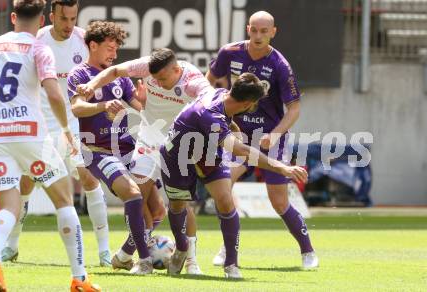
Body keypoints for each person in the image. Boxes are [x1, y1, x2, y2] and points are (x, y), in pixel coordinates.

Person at [0, 1, 100, 291]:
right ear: (41, 22)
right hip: (30, 134)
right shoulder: (39, 47)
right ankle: (79, 278)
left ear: (12, 17)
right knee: (64, 200)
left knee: (9, 205)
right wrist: (65, 130)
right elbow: (53, 94)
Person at [160, 73, 308, 279]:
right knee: (178, 205)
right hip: (177, 156)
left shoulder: (222, 94)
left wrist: (235, 130)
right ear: (248, 103)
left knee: (226, 201)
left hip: (206, 152)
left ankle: (231, 264)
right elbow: (243, 151)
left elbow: (228, 123)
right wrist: (283, 168)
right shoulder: (210, 116)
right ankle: (182, 247)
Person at [77, 48, 209, 275]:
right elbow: (116, 70)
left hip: (179, 144)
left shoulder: (193, 81)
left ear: (177, 70)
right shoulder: (145, 66)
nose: (158, 82)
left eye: (163, 79)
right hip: (149, 139)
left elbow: (213, 101)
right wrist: (92, 86)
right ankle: (144, 261)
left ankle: (191, 261)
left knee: (180, 204)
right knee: (136, 196)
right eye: (154, 79)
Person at [206, 10, 318, 269]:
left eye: (264, 31)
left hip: (271, 137)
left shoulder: (280, 65)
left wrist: (275, 134)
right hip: (238, 134)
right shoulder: (229, 53)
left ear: (273, 32)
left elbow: (294, 108)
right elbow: (208, 82)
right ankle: (227, 247)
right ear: (248, 29)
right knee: (224, 186)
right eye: (254, 30)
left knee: (279, 202)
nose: (258, 36)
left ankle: (308, 251)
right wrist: (217, 112)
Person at [68, 20, 153, 275]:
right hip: (98, 151)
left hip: (127, 148)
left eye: (116, 50)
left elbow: (140, 109)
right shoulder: (80, 75)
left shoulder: (120, 77)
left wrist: (145, 103)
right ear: (93, 45)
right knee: (133, 193)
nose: (114, 55)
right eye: (109, 48)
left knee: (157, 209)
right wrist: (102, 106)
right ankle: (145, 261)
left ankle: (125, 255)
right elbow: (76, 108)